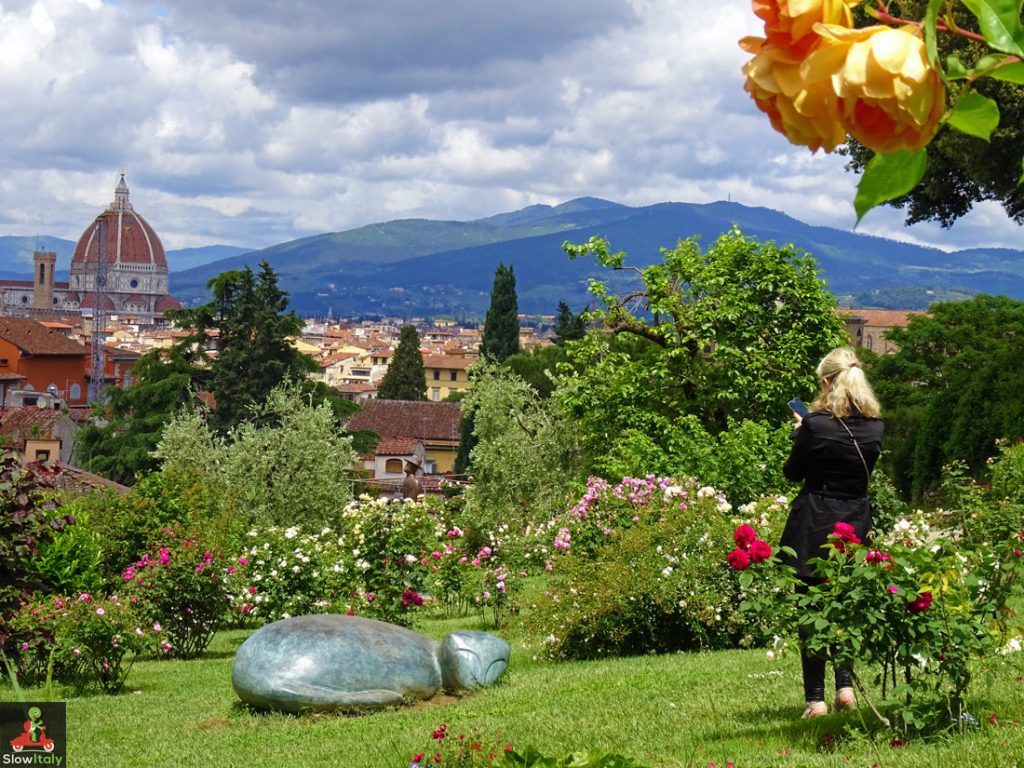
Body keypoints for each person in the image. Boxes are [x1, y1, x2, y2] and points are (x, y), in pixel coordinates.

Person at [779, 347, 884, 719]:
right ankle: (845, 690)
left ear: (826, 383)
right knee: (845, 607)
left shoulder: (815, 425)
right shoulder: (875, 428)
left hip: (814, 521)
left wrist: (800, 433)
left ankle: (816, 700)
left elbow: (794, 472)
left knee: (811, 609)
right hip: (855, 521)